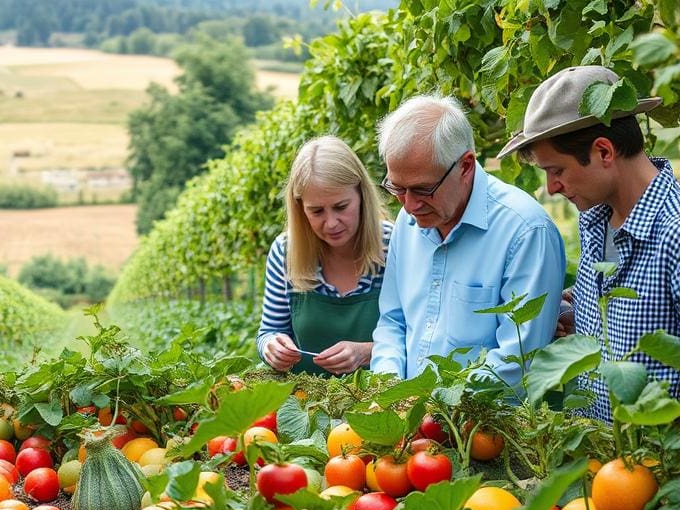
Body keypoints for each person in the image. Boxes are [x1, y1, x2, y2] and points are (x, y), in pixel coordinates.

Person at [498, 65, 680, 422]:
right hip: (606, 461)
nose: (551, 188)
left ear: (604, 151)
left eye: (556, 170)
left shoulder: (673, 233)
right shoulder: (596, 221)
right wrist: (577, 314)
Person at [370, 95, 566, 391]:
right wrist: (389, 388)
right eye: (397, 188)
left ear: (465, 166)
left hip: (483, 429)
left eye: (423, 189)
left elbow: (518, 360)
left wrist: (434, 409)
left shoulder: (525, 232)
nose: (409, 205)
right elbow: (393, 322)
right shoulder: (407, 224)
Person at [256, 136, 392, 376]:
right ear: (300, 208)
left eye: (341, 207)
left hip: (381, 406)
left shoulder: (393, 246)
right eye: (316, 211)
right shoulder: (285, 253)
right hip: (306, 407)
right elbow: (269, 330)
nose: (331, 223)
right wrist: (271, 346)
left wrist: (368, 352)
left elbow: (418, 336)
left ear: (361, 196)